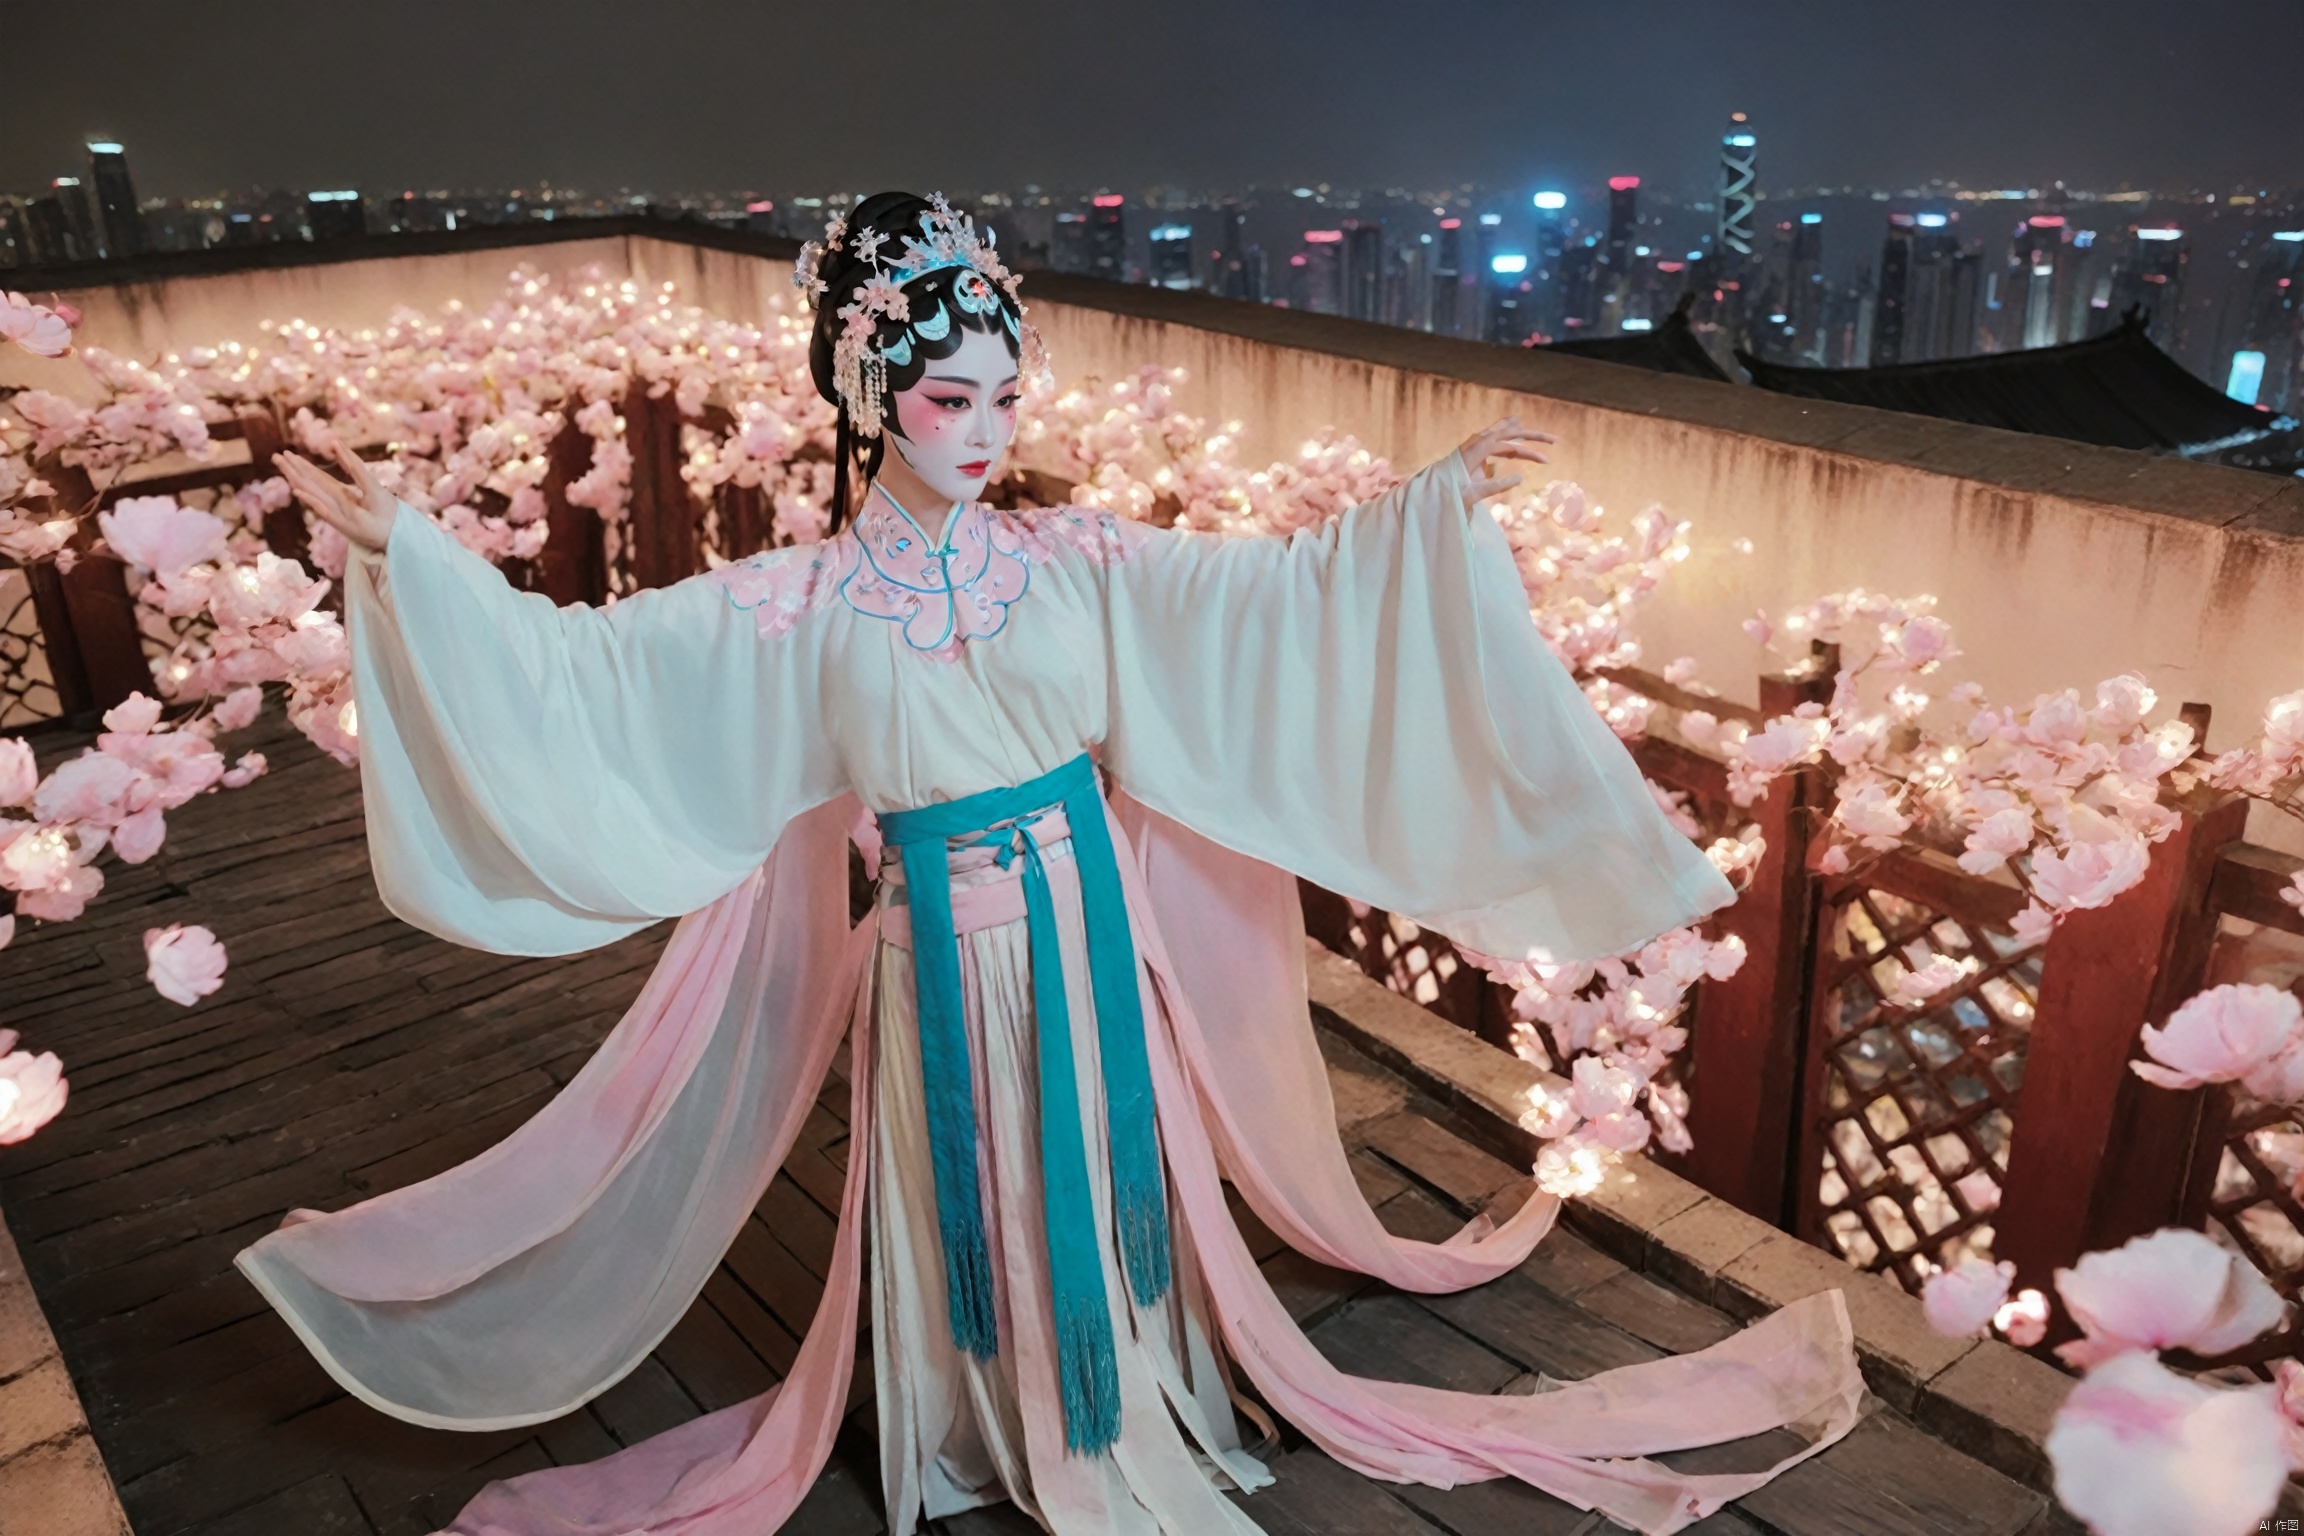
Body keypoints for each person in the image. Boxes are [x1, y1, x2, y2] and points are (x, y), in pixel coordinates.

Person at [251, 190, 1861, 1536]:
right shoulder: (798, 604)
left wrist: (1424, 516)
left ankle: (1126, 1397)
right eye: (954, 399)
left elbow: (1280, 596)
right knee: (970, 1191)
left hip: (1087, 934)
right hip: (934, 957)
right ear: (875, 398)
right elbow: (581, 673)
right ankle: (976, 1419)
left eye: (1006, 398)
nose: (987, 431)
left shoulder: (1075, 558)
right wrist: (423, 566)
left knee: (1103, 1183)